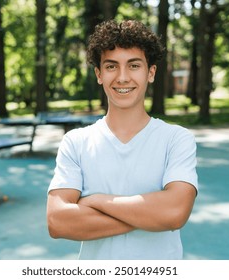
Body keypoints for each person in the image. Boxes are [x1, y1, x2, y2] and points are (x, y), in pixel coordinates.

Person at [47, 19, 198, 260]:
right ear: (99, 74)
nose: (123, 77)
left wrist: (95, 201)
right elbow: (58, 221)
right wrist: (152, 216)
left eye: (134, 65)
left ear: (151, 72)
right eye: (111, 66)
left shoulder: (176, 139)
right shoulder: (75, 142)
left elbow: (175, 212)